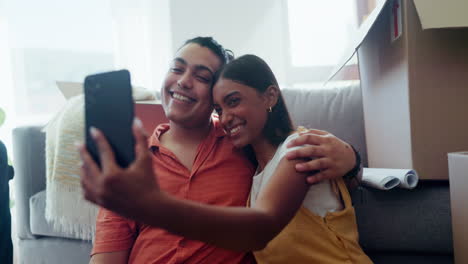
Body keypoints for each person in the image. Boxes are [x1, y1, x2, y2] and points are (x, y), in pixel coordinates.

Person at [78, 37, 361, 264]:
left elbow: (264, 222)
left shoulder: (246, 147)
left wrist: (351, 159)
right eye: (177, 69)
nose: (184, 81)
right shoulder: (132, 164)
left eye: (201, 76)